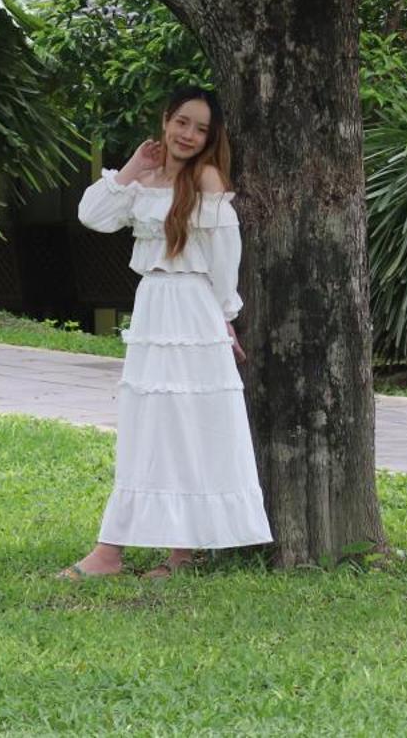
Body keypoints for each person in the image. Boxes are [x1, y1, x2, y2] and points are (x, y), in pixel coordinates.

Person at [60, 86, 272, 579]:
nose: (189, 135)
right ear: (165, 120)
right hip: (153, 309)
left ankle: (181, 553)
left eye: (200, 128)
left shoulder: (208, 179)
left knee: (191, 424)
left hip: (195, 313)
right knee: (148, 423)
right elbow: (92, 215)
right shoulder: (145, 178)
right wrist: (133, 166)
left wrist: (226, 317)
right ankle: (110, 552)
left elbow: (226, 261)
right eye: (182, 122)